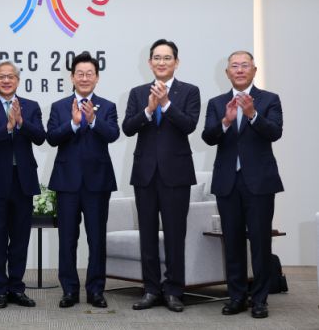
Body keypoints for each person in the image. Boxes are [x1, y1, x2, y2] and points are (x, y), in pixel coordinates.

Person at [202, 50, 283, 319]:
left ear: (254, 70)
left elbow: (275, 132)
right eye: (234, 66)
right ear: (227, 73)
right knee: (233, 242)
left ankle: (259, 300)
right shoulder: (216, 103)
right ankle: (236, 297)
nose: (239, 70)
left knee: (260, 243)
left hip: (259, 183)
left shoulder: (269, 99)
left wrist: (253, 115)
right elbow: (208, 137)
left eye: (244, 65)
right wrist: (226, 121)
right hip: (227, 183)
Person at [122, 39, 200, 313]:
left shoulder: (189, 91)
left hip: (176, 175)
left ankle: (174, 291)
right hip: (145, 174)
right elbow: (128, 128)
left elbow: (189, 125)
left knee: (175, 235)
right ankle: (151, 290)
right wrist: (148, 109)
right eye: (157, 57)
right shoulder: (137, 93)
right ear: (149, 62)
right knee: (147, 235)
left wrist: (165, 104)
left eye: (167, 58)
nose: (162, 62)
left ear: (176, 62)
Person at [47, 51, 119, 309]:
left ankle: (96, 290)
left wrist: (94, 120)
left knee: (96, 240)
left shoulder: (108, 106)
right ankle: (69, 290)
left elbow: (113, 135)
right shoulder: (59, 106)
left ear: (97, 78)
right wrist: (74, 123)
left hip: (98, 183)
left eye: (90, 74)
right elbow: (52, 137)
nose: (85, 78)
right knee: (67, 239)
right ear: (72, 77)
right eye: (80, 74)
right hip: (67, 182)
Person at [0, 60, 46, 309]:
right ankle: (0, 290)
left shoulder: (31, 106)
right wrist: (7, 127)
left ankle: (17, 288)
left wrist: (21, 123)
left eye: (10, 76)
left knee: (20, 238)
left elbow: (41, 137)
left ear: (18, 80)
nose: (6, 80)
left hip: (23, 181)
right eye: (1, 77)